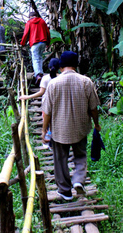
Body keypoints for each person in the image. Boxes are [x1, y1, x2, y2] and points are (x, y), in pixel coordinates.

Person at [42, 51, 101, 201]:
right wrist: (96, 123)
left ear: (61, 66)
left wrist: (44, 130)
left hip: (60, 130)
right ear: (76, 65)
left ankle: (65, 191)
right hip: (80, 128)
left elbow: (46, 112)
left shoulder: (53, 83)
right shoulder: (86, 81)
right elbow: (93, 108)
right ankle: (78, 180)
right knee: (80, 156)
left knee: (60, 160)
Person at [20, 11, 50, 86]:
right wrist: (48, 43)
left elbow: (25, 34)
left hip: (35, 43)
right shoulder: (42, 21)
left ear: (30, 17)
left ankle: (38, 75)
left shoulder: (29, 22)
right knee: (39, 58)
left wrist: (22, 43)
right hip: (43, 42)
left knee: (35, 59)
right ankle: (40, 72)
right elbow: (47, 32)